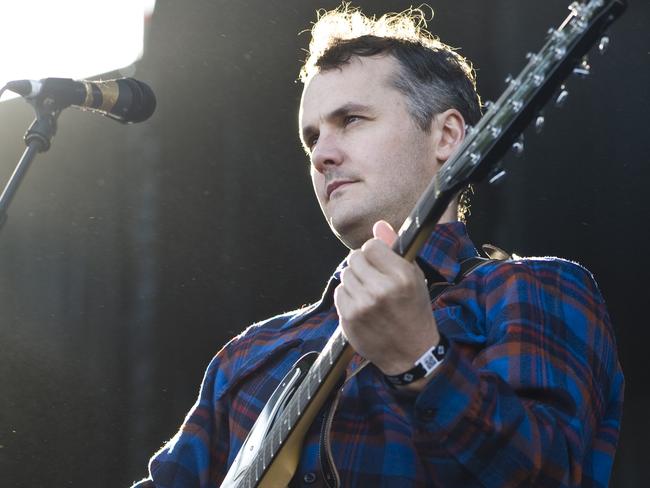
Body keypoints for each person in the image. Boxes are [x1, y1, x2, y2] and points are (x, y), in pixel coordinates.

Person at [133, 5, 624, 487]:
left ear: (448, 136)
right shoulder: (249, 357)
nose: (322, 154)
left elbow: (551, 474)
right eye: (312, 138)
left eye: (351, 119)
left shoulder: (526, 290)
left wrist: (421, 359)